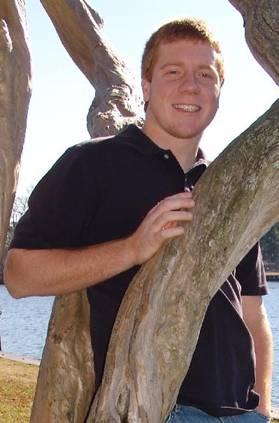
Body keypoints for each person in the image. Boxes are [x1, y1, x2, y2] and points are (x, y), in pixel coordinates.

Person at [4, 18, 273, 422]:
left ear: (218, 92)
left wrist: (264, 407)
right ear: (146, 87)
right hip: (155, 409)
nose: (190, 86)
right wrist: (133, 248)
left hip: (242, 415)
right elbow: (21, 275)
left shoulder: (230, 185)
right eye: (173, 72)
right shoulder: (91, 164)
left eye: (205, 74)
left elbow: (253, 313)